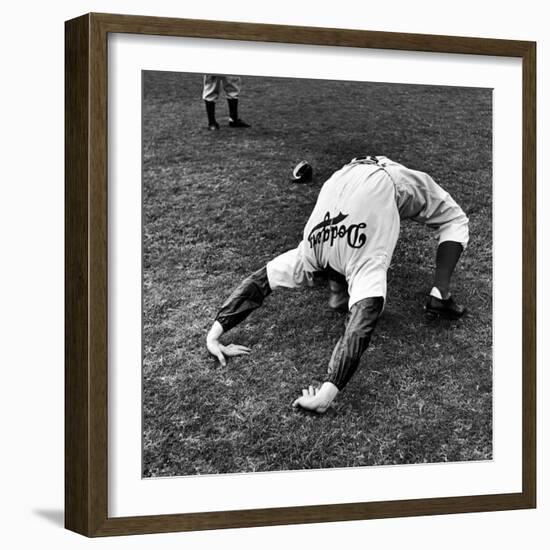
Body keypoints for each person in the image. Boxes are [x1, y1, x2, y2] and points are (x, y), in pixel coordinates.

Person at [206, 156, 469, 413]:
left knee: (354, 261)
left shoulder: (309, 253)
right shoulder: (347, 261)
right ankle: (440, 295)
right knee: (454, 220)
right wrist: (326, 394)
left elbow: (260, 281)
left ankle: (430, 293)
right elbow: (362, 321)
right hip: (361, 177)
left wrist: (214, 334)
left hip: (353, 180)